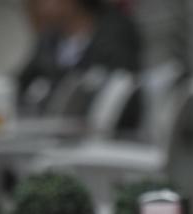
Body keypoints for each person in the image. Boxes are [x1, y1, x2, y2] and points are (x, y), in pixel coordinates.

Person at [17, 0, 142, 130]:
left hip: (108, 132)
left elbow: (123, 90)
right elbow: (21, 83)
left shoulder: (115, 32)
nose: (36, 5)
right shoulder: (48, 40)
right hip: (53, 129)